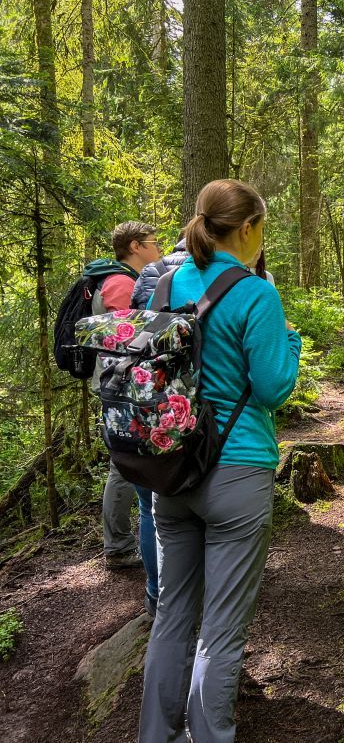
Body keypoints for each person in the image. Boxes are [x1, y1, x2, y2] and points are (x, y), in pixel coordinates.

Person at [139, 179, 301, 742]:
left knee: (173, 616)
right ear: (250, 228)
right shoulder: (256, 293)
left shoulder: (165, 283)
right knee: (221, 631)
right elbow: (275, 387)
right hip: (236, 471)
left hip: (170, 469)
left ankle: (156, 735)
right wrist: (291, 341)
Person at [96, 222, 162, 581]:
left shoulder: (118, 279)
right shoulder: (123, 283)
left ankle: (119, 543)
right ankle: (118, 546)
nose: (159, 249)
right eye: (153, 243)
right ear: (136, 246)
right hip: (123, 387)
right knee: (123, 465)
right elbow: (129, 339)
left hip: (119, 384)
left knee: (122, 465)